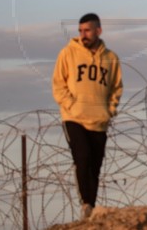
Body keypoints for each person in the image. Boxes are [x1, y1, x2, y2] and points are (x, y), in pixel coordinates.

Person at [52, 13, 123, 221]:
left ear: (98, 31)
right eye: (80, 31)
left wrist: (109, 110)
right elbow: (58, 84)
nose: (83, 35)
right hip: (74, 118)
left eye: (87, 30)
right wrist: (71, 106)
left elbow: (116, 87)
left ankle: (91, 207)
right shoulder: (68, 54)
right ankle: (86, 205)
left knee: (95, 165)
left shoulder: (111, 59)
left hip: (99, 120)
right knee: (82, 158)